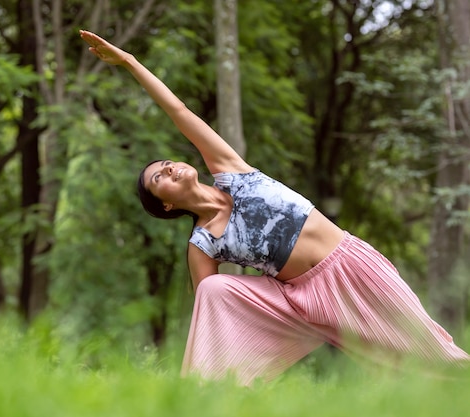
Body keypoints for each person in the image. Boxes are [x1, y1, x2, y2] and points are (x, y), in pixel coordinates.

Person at [79, 29, 470, 385]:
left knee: (429, 355)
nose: (167, 167)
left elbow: (180, 113)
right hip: (302, 300)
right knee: (213, 289)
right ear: (164, 204)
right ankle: (206, 400)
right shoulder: (202, 244)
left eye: (165, 163)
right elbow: (216, 318)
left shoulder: (232, 173)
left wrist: (130, 62)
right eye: (158, 177)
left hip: (351, 264)